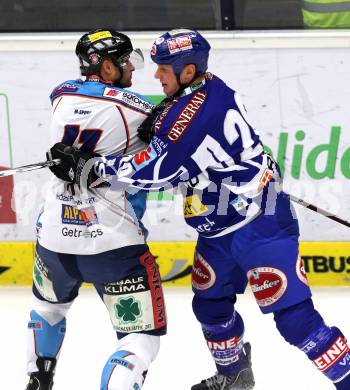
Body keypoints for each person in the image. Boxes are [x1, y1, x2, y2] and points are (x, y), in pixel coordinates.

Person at [48, 28, 350, 390]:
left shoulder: (194, 116)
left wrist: (89, 167)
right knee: (210, 306)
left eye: (163, 68)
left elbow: (156, 171)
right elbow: (172, 130)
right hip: (218, 228)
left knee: (295, 320)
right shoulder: (204, 88)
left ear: (188, 71)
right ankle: (234, 375)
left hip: (259, 225)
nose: (155, 75)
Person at [26, 28, 167, 390]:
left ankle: (37, 379)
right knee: (141, 338)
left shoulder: (60, 95)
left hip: (55, 238)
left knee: (49, 309)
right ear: (106, 68)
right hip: (114, 244)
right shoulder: (138, 110)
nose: (133, 70)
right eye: (125, 63)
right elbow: (167, 145)